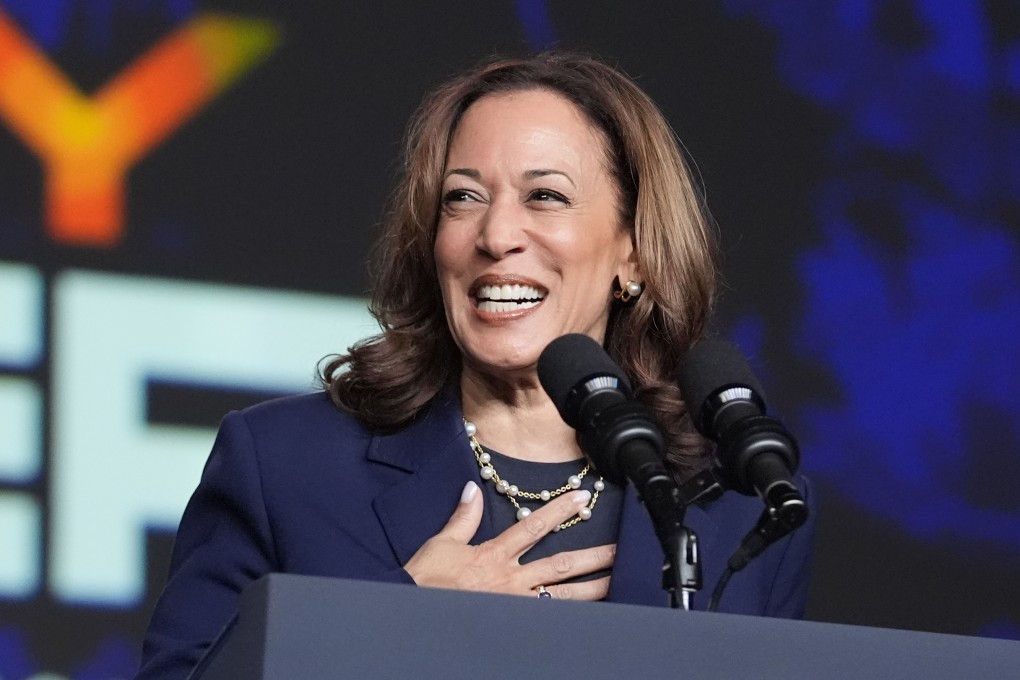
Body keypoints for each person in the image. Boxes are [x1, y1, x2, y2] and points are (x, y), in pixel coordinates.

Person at [134, 52, 814, 679]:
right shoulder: (285, 467)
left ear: (633, 254)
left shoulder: (738, 511)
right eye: (463, 197)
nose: (495, 236)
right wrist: (390, 626)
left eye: (545, 195)